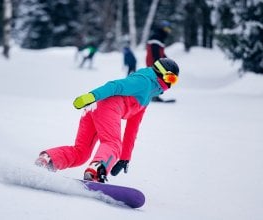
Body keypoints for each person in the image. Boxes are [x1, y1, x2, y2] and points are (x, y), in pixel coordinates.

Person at [35, 58, 180, 183]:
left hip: (95, 108)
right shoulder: (144, 81)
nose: (170, 84)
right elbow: (115, 85)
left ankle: (49, 159)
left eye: (175, 81)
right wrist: (92, 96)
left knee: (81, 153)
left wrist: (125, 157)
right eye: (170, 78)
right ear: (160, 73)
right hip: (105, 105)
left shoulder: (147, 95)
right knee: (112, 143)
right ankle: (97, 170)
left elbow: (133, 127)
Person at [146, 20, 174, 102]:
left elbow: (161, 52)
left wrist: (167, 60)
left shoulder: (159, 37)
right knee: (157, 79)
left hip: (156, 62)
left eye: (169, 30)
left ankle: (154, 95)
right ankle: (154, 96)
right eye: (167, 29)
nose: (168, 32)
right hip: (154, 63)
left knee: (158, 79)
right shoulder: (156, 37)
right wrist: (159, 63)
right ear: (162, 29)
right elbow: (155, 52)